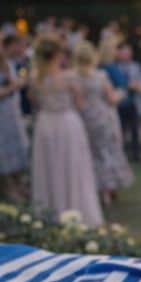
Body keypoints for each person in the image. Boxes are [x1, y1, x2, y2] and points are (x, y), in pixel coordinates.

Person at [30, 35, 103, 227]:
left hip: (45, 124)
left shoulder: (35, 78)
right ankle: (74, 209)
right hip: (66, 123)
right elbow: (79, 104)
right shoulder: (68, 77)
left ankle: (51, 211)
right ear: (57, 54)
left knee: (50, 167)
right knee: (71, 166)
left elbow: (34, 101)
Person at [73, 41, 133, 206]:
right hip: (103, 118)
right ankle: (110, 189)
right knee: (109, 152)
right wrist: (122, 93)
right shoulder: (100, 76)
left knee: (93, 155)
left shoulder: (73, 78)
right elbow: (111, 98)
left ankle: (98, 190)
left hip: (84, 119)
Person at [106, 42, 141, 164]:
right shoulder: (112, 68)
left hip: (132, 102)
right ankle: (121, 154)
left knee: (135, 129)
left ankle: (136, 154)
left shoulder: (136, 66)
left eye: (129, 53)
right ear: (119, 54)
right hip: (119, 103)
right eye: (124, 52)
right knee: (120, 129)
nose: (127, 55)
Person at [0, 37, 29, 201]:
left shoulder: (9, 65)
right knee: (4, 152)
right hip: (2, 116)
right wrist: (14, 86)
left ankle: (19, 184)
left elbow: (13, 83)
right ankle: (9, 188)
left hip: (13, 113)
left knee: (18, 148)